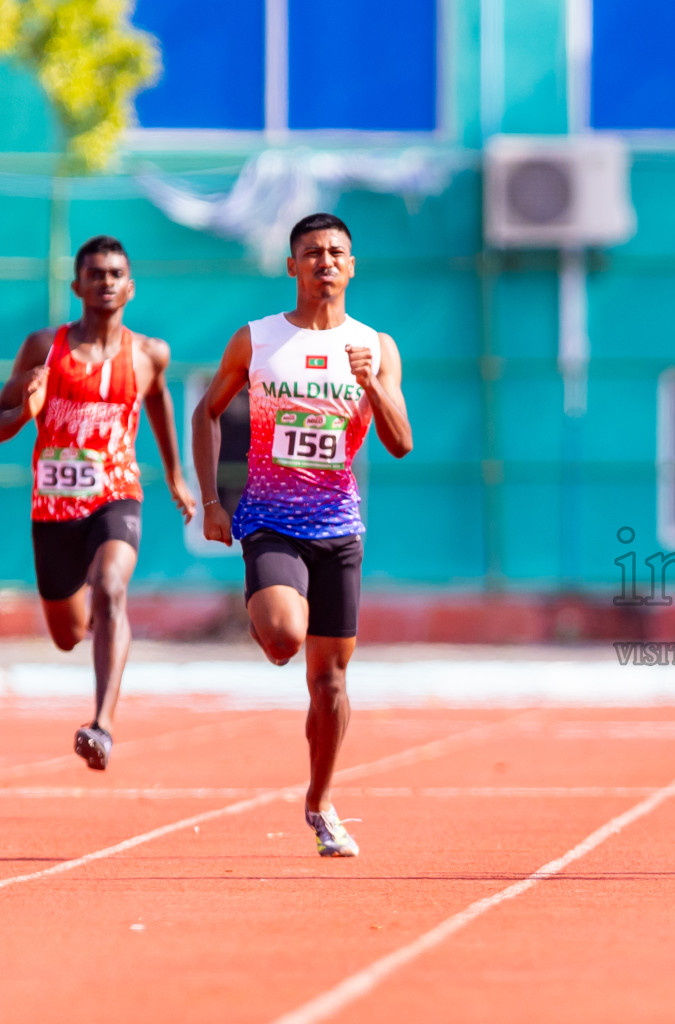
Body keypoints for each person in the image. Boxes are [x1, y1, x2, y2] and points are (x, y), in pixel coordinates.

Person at [191, 213, 412, 857]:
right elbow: (208, 413)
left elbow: (400, 443)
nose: (325, 262)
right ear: (291, 266)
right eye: (311, 252)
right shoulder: (257, 340)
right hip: (269, 519)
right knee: (285, 638)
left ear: (352, 265)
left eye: (337, 252)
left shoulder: (377, 345)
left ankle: (320, 801)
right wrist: (211, 500)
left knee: (332, 684)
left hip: (339, 528)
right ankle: (267, 604)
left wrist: (371, 380)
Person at [0, 236, 196, 769]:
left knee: (111, 588)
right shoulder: (44, 347)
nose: (106, 282)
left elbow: (156, 398)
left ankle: (102, 725)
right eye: (96, 273)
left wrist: (176, 476)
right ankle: (98, 621)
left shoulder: (149, 353)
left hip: (116, 494)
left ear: (129, 286)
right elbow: (1, 416)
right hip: (54, 507)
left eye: (115, 273)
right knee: (67, 636)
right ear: (76, 285)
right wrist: (24, 412)